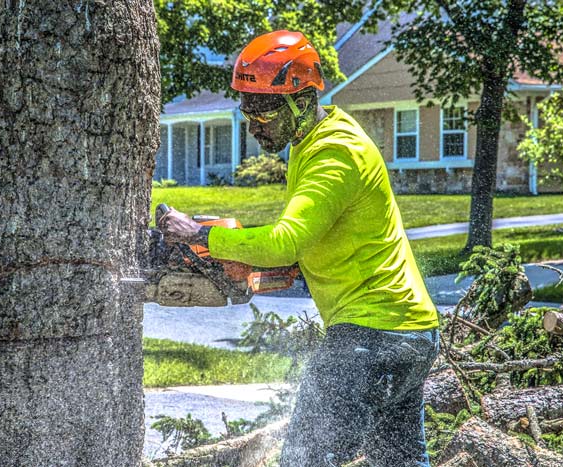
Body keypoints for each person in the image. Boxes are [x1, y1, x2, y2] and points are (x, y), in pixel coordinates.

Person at [158, 30, 440, 467]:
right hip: (411, 333)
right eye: (247, 112)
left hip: (371, 338)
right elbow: (315, 238)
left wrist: (201, 235)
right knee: (401, 463)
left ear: (302, 99)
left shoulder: (334, 155)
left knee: (304, 460)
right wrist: (281, 266)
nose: (253, 126)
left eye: (264, 114)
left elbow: (287, 239)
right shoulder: (313, 143)